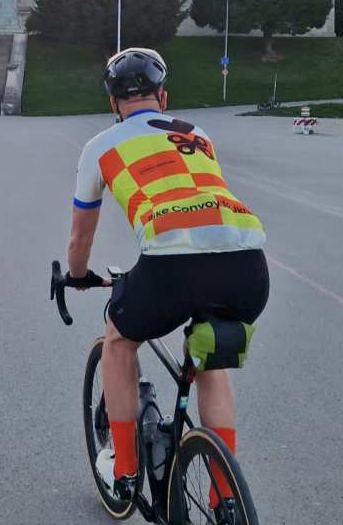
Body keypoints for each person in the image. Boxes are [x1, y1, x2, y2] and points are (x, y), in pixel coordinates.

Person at [67, 48, 269, 515]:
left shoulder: (101, 146)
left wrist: (78, 277)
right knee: (208, 358)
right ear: (163, 97)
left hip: (173, 264)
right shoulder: (197, 134)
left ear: (114, 104)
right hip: (248, 266)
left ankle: (125, 472)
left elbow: (80, 236)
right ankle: (225, 500)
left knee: (118, 340)